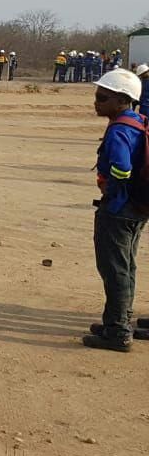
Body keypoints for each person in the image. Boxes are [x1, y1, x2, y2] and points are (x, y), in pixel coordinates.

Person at [83, 69, 149, 352]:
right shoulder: (139, 122)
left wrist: (111, 188)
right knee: (127, 266)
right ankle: (117, 319)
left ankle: (118, 331)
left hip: (119, 209)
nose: (96, 102)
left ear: (122, 99)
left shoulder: (120, 129)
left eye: (102, 97)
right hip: (136, 208)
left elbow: (122, 167)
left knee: (114, 269)